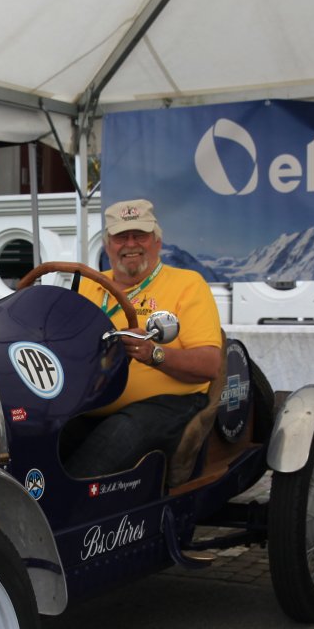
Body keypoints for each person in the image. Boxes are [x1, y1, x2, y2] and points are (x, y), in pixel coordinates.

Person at [64, 199, 223, 478]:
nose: (130, 244)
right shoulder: (89, 284)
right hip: (91, 402)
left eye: (140, 235)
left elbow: (210, 365)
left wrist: (153, 354)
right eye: (121, 237)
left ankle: (70, 504)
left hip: (168, 403)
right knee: (38, 435)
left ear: (157, 242)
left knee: (111, 442)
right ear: (107, 245)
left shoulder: (188, 284)